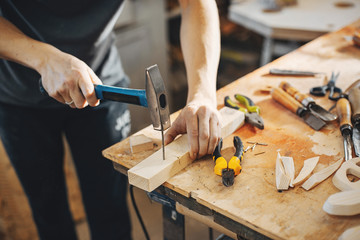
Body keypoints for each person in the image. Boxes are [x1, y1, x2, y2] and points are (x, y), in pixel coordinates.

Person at [0, 0, 220, 239]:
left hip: (99, 83)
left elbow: (196, 4)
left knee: (110, 211)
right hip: (18, 95)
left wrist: (203, 94)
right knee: (49, 214)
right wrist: (44, 58)